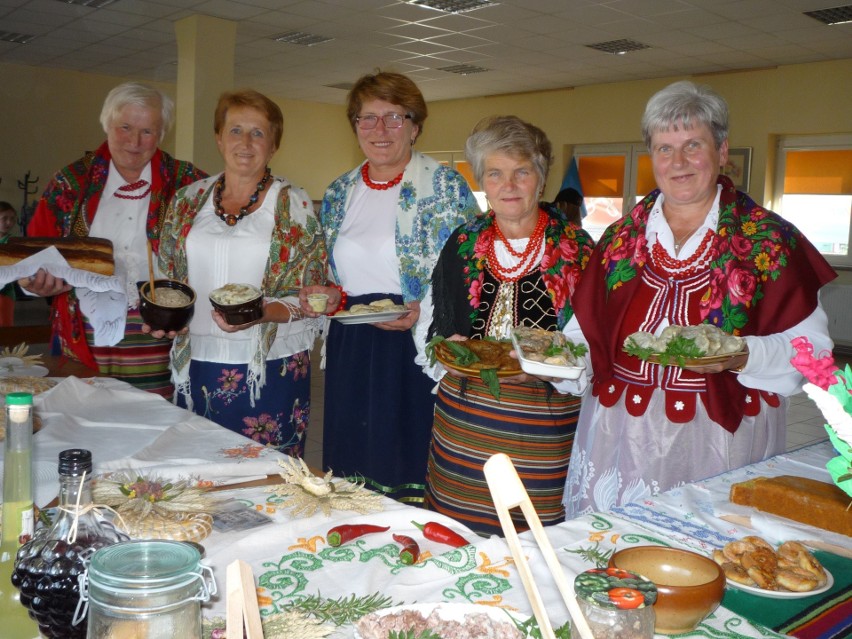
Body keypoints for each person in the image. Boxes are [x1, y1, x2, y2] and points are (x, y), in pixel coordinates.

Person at [557, 80, 836, 517]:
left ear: (722, 151)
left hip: (719, 438)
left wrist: (742, 355)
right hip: (619, 438)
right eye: (664, 148)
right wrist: (550, 360)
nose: (678, 162)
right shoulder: (617, 241)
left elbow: (812, 352)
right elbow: (584, 337)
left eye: (693, 145)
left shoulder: (769, 240)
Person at [298, 71, 479, 502]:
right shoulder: (341, 190)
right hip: (352, 339)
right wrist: (321, 292)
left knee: (406, 457)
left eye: (394, 118)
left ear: (415, 126)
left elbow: (472, 274)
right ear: (355, 126)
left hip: (414, 342)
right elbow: (332, 269)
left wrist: (423, 312)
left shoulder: (446, 187)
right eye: (368, 118)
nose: (380, 130)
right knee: (352, 462)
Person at [423, 116, 595, 535]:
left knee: (532, 539)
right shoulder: (462, 243)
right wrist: (447, 344)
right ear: (483, 181)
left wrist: (541, 361)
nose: (509, 185)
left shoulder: (578, 250)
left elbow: (590, 341)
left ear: (541, 178)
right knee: (456, 539)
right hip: (464, 423)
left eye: (522, 171)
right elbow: (433, 321)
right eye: (495, 174)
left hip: (540, 428)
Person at [156, 89, 327, 456]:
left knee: (266, 480)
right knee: (199, 473)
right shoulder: (187, 201)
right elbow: (169, 278)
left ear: (274, 144)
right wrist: (166, 316)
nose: (245, 142)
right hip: (198, 364)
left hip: (270, 369)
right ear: (219, 138)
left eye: (258, 133)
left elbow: (310, 295)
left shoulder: (292, 204)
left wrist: (260, 312)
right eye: (235, 131)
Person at [24, 82, 206, 395]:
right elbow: (30, 254)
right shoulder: (70, 183)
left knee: (157, 428)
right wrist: (32, 282)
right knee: (86, 422)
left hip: (160, 338)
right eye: (124, 127)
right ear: (107, 124)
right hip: (85, 334)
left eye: (147, 131)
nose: (134, 141)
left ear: (161, 134)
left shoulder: (189, 184)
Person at [0, 202, 17, 325]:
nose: (9, 223)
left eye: (12, 219)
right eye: (4, 218)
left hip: (4, 293)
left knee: (4, 331)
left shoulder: (12, 242)